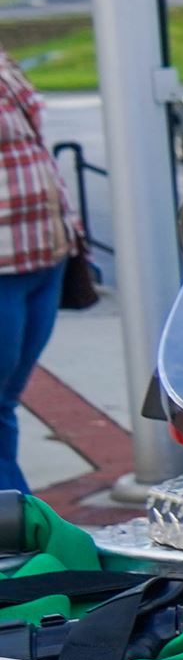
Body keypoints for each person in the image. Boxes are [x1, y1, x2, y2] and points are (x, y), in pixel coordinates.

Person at [0, 45, 74, 498]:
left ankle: (15, 515)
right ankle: (16, 520)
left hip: (44, 253)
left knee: (5, 401)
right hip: (5, 263)